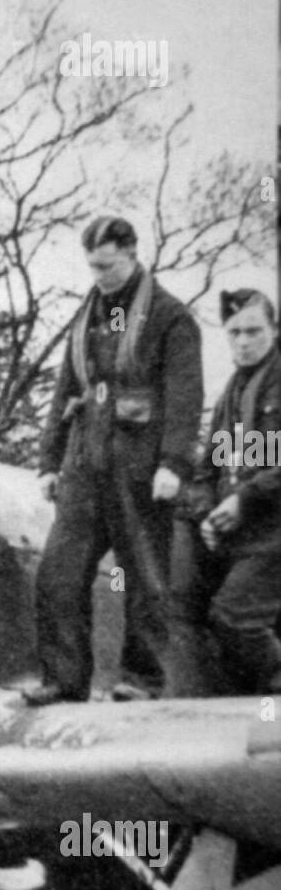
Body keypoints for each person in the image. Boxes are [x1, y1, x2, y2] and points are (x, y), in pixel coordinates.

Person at [25, 215, 205, 705]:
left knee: (146, 580)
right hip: (86, 465)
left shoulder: (171, 317)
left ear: (131, 253)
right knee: (58, 576)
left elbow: (186, 397)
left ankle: (140, 683)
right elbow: (66, 389)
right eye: (93, 266)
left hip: (142, 470)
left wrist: (174, 464)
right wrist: (48, 460)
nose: (99, 275)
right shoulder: (87, 317)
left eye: (107, 265)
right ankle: (64, 681)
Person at [165, 289, 281, 696]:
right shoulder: (233, 392)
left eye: (253, 331)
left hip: (274, 533)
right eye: (234, 333)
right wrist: (209, 511)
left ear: (275, 329)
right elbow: (210, 467)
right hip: (243, 534)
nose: (243, 342)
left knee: (236, 617)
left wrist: (245, 498)